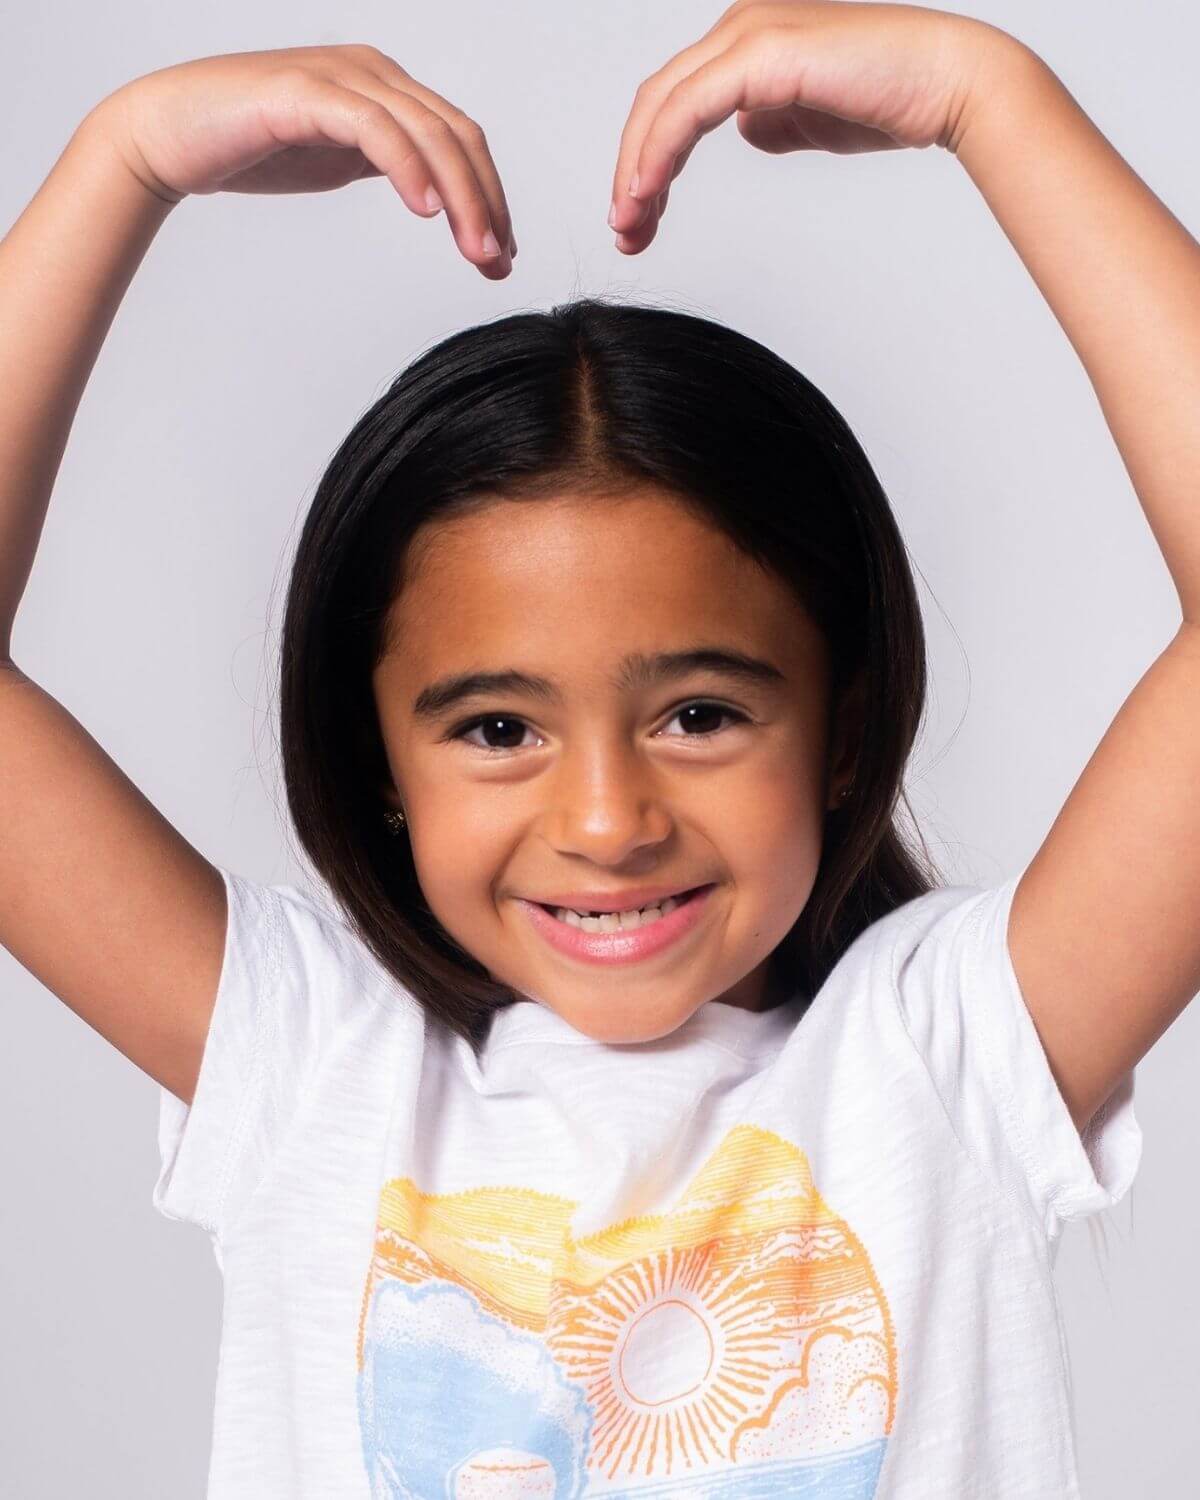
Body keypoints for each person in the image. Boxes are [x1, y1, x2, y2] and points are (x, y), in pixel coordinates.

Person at [4, 2, 1193, 1494]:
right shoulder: (318, 1072)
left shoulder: (940, 1065)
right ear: (377, 756)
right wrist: (120, 165)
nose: (609, 817)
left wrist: (994, 99)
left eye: (699, 715)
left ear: (841, 726)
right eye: (499, 729)